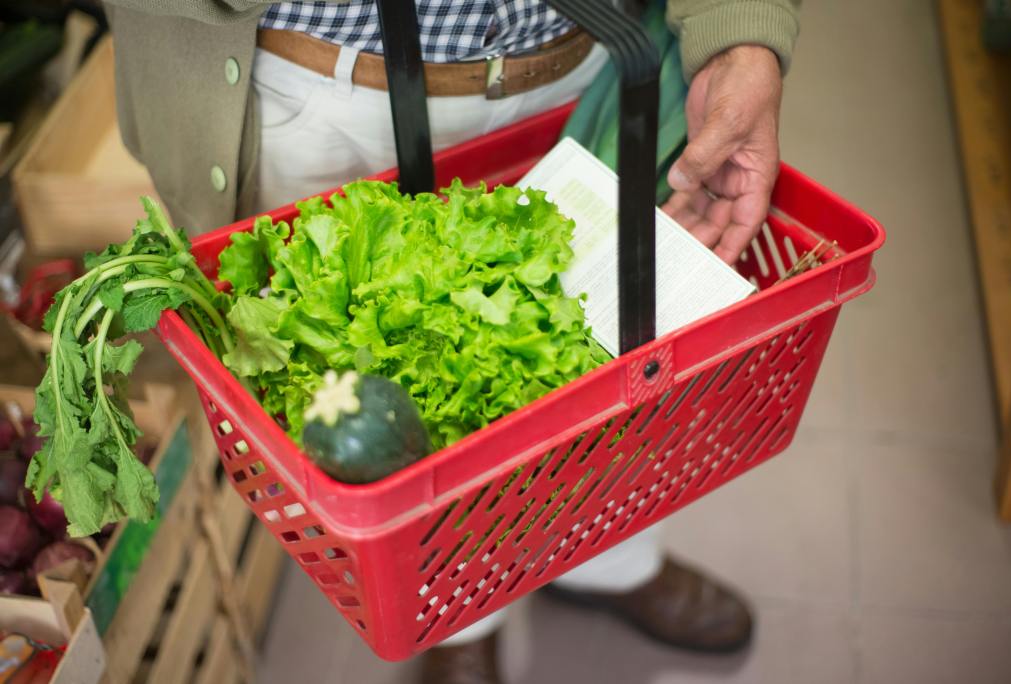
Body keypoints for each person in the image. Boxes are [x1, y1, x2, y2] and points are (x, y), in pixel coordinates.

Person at [100, 1, 801, 682]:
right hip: (323, 91)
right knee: (410, 431)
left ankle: (606, 559)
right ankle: (464, 618)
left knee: (603, 358)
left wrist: (742, 27)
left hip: (581, 60)